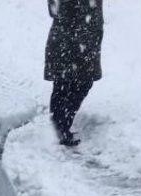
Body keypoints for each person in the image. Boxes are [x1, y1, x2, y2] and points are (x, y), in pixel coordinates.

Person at [45, 0, 104, 146]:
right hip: (72, 42)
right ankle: (60, 126)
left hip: (81, 43)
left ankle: (60, 125)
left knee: (72, 83)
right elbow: (55, 10)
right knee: (68, 83)